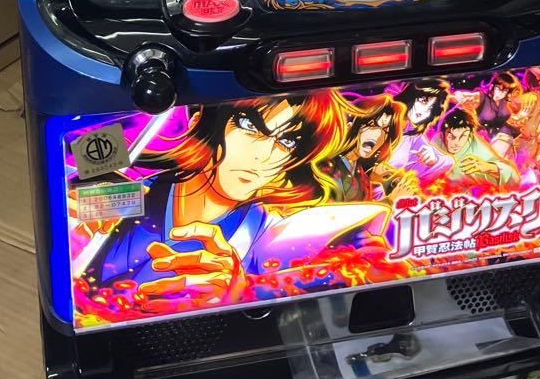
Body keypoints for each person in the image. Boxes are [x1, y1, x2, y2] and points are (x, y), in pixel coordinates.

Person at [86, 94, 355, 300]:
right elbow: (77, 142)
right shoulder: (137, 190)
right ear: (200, 122)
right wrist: (77, 206)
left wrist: (239, 291)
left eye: (287, 142)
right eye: (249, 125)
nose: (262, 156)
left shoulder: (263, 240)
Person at [323, 94, 405, 202]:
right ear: (350, 125)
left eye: (385, 131)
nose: (378, 135)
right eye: (372, 124)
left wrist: (376, 181)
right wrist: (390, 201)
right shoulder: (327, 166)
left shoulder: (358, 170)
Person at [434, 106, 519, 189]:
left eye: (463, 136)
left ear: (469, 134)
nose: (456, 143)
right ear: (443, 134)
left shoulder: (476, 148)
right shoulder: (438, 140)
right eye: (451, 136)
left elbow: (513, 178)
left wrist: (489, 167)